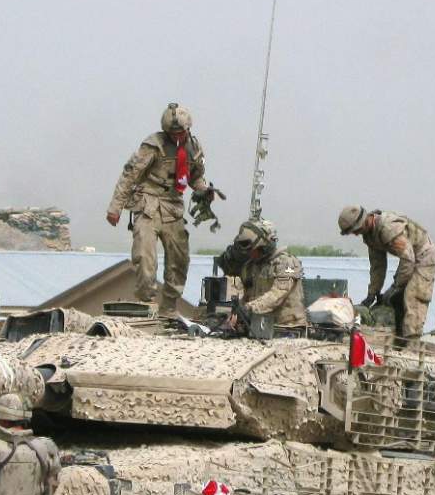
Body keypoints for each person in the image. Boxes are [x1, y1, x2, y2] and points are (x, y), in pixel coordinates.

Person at [106, 102, 215, 315]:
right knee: (145, 257)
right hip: (148, 203)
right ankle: (145, 304)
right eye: (172, 133)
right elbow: (130, 175)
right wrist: (115, 207)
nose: (176, 136)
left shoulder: (193, 148)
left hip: (173, 207)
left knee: (179, 260)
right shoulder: (153, 146)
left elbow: (195, 177)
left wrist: (204, 190)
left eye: (180, 132)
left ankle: (169, 309)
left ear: (188, 129)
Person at [337, 205, 435, 339]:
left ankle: (412, 340)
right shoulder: (369, 235)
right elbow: (377, 266)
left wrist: (397, 287)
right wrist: (372, 293)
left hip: (425, 256)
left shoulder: (387, 228)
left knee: (413, 294)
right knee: (388, 299)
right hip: (409, 257)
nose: (356, 234)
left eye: (356, 230)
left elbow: (408, 259)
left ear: (365, 221)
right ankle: (399, 335)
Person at [216, 219, 307, 329]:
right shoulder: (251, 267)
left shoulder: (287, 264)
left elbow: (277, 294)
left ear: (265, 247)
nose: (251, 253)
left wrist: (248, 309)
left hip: (288, 327)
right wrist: (235, 312)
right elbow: (247, 297)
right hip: (260, 327)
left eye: (254, 250)